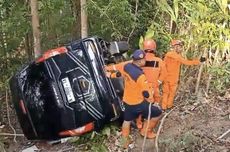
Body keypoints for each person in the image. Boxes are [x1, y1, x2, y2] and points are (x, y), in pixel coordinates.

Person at [105, 49, 162, 148]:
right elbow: (146, 93)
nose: (145, 60)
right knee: (157, 113)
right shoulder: (140, 76)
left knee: (126, 121)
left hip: (127, 101)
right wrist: (151, 99)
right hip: (138, 103)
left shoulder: (127, 66)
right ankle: (145, 132)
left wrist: (111, 75)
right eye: (144, 59)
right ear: (140, 61)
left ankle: (124, 142)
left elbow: (120, 74)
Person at [162, 39, 206, 110]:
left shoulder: (167, 55)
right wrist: (199, 61)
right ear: (175, 47)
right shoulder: (176, 56)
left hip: (166, 78)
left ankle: (163, 108)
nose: (181, 49)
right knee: (171, 93)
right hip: (173, 79)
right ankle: (169, 106)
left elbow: (163, 66)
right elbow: (187, 62)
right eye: (180, 47)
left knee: (165, 93)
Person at [135, 39, 167, 129]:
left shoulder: (139, 60)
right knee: (156, 101)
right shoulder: (159, 61)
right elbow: (164, 73)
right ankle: (150, 120)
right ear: (154, 48)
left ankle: (139, 122)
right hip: (153, 87)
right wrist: (158, 82)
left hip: (140, 87)